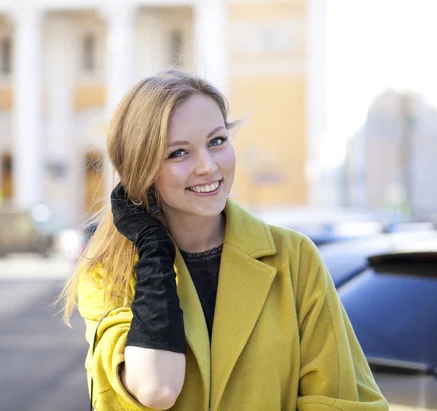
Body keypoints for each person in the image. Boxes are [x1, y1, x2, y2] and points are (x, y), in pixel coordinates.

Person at [60, 70, 388, 411]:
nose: (207, 166)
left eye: (216, 141)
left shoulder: (294, 258)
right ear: (141, 169)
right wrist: (153, 248)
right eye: (178, 153)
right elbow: (156, 389)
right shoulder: (108, 274)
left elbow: (341, 401)